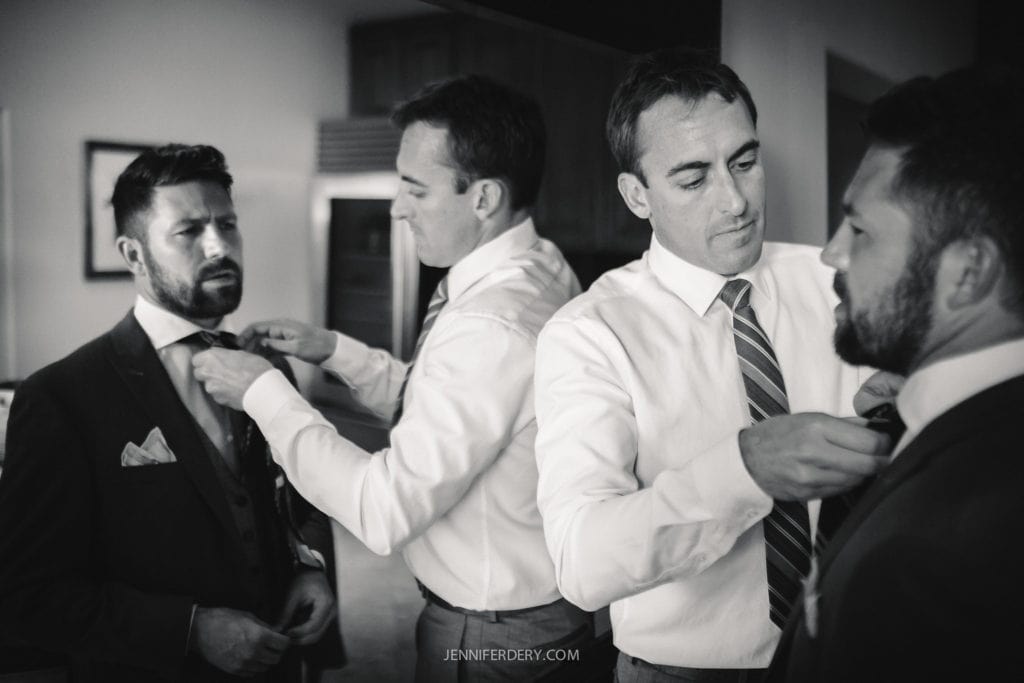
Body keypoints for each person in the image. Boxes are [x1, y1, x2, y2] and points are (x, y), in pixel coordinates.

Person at [191, 75, 590, 681]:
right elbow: (444, 403)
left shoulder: (489, 325)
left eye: (415, 189)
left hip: (495, 638)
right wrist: (333, 350)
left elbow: (383, 511)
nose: (396, 207)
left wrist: (262, 394)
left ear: (483, 198)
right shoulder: (540, 265)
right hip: (533, 616)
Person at [533, 48, 892, 681]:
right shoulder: (590, 334)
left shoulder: (834, 276)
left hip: (851, 650)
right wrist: (744, 469)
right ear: (636, 196)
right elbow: (581, 563)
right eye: (694, 179)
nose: (735, 202)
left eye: (745, 162)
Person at [0, 144, 342, 682]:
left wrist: (310, 567)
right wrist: (189, 628)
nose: (219, 246)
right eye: (188, 232)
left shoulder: (266, 364)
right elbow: (28, 595)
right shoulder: (62, 396)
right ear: (133, 254)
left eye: (227, 225)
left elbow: (298, 499)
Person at [766, 64, 1024, 682]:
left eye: (859, 229)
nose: (832, 254)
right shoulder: (953, 422)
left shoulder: (940, 555)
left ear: (969, 272)